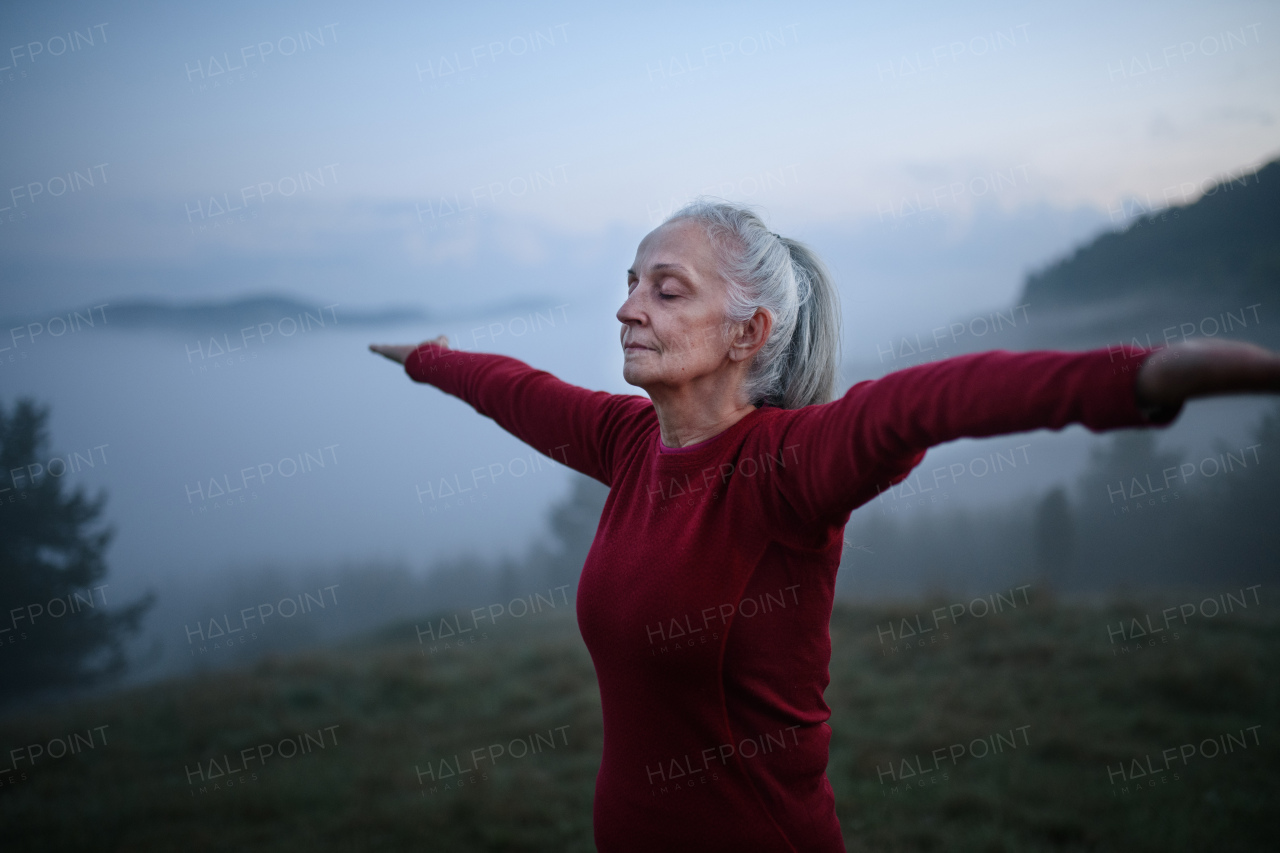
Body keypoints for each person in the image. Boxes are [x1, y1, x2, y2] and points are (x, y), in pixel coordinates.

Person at [371, 199, 1280, 852]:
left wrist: (1143, 375)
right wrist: (432, 359)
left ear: (746, 332)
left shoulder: (787, 470)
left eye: (667, 289)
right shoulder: (627, 444)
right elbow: (518, 392)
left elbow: (929, 402)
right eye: (631, 283)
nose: (628, 307)